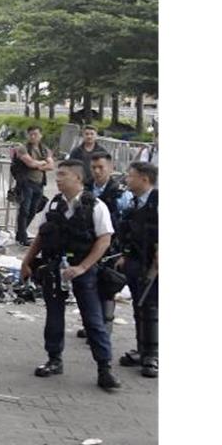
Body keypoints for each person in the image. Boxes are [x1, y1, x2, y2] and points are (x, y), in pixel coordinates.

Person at [21, 160, 121, 390]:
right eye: (57, 174)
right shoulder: (54, 205)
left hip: (83, 269)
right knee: (54, 316)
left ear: (78, 178)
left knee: (93, 319)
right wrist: (27, 262)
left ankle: (104, 368)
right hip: (55, 266)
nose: (57, 178)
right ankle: (54, 359)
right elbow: (40, 236)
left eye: (63, 174)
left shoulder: (96, 206)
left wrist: (83, 267)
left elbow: (104, 240)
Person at [76, 151, 127, 339]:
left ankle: (104, 329)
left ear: (111, 168)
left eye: (101, 168)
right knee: (88, 287)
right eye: (94, 168)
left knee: (107, 286)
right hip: (88, 245)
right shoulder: (86, 188)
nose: (97, 171)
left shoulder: (120, 193)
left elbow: (124, 222)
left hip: (110, 247)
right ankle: (91, 324)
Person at [115, 161, 159, 378]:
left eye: (131, 176)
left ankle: (152, 355)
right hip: (135, 261)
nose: (127, 179)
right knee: (138, 306)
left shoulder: (157, 202)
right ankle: (142, 349)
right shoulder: (134, 202)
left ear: (144, 179)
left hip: (153, 264)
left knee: (150, 308)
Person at [12, 126, 55, 246]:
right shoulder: (23, 148)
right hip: (26, 182)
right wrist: (42, 163)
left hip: (39, 183)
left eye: (35, 134)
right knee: (24, 210)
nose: (33, 137)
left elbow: (51, 166)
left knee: (34, 209)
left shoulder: (44, 149)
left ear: (41, 135)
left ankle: (21, 233)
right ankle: (22, 236)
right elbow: (30, 163)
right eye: (30, 134)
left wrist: (39, 165)